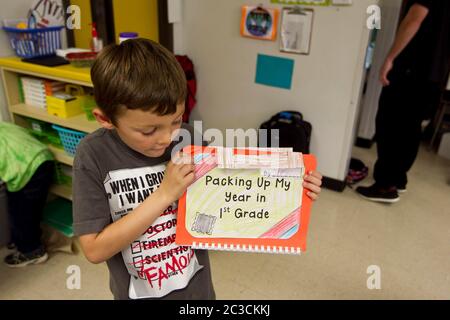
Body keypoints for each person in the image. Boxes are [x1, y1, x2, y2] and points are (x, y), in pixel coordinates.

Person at [73, 38, 323, 300]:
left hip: (198, 294)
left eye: (176, 120)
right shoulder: (93, 156)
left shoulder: (190, 140)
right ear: (105, 119)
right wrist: (164, 195)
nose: (167, 138)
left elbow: (229, 204)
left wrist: (293, 189)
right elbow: (94, 250)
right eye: (148, 130)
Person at [357, 0, 450, 203]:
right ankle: (398, 179)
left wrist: (390, 58)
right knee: (410, 127)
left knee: (390, 123)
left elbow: (413, 20)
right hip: (435, 75)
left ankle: (385, 186)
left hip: (412, 70)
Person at [0, 121, 54, 267]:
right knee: (31, 209)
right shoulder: (4, 126)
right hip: (44, 158)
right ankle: (24, 239)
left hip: (26, 171)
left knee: (20, 213)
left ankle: (32, 251)